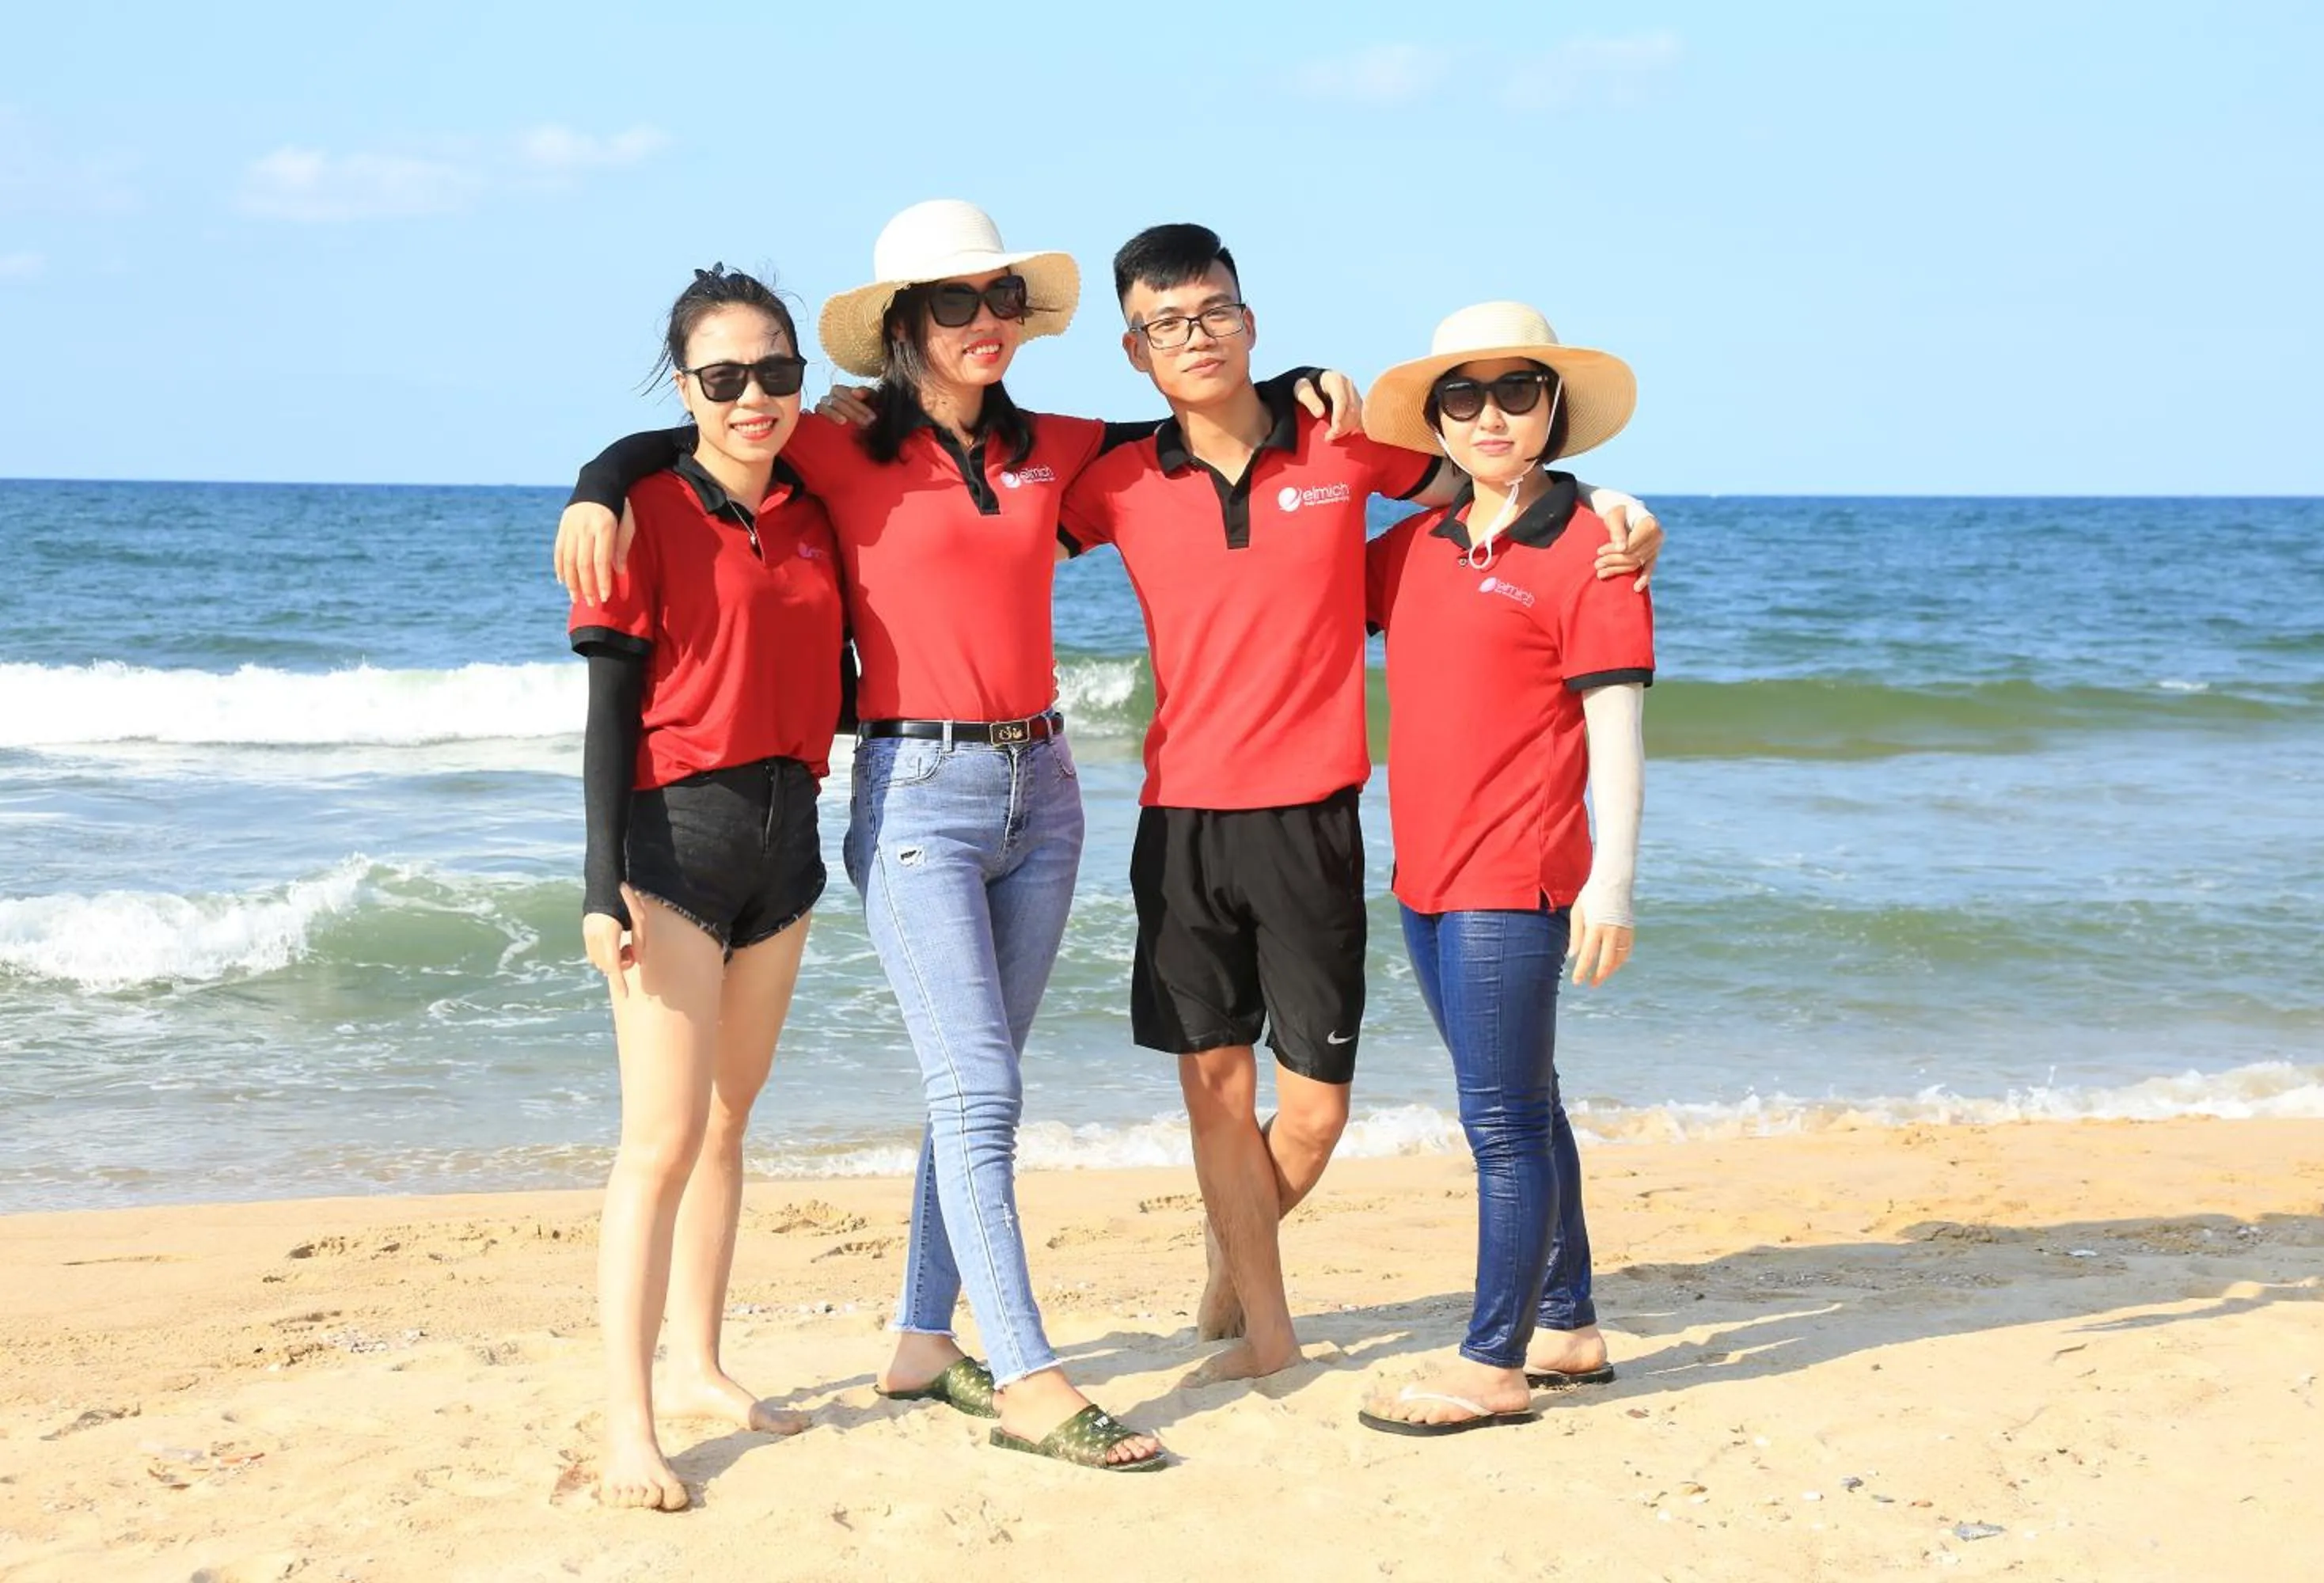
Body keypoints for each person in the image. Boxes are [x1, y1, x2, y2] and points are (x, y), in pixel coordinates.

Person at [557, 202, 1346, 1471]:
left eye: (1002, 301)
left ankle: (925, 1336)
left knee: (979, 1087)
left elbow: (1197, 435)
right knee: (977, 1088)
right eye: (953, 305)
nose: (986, 324)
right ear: (902, 328)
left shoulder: (1062, 447)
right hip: (915, 794)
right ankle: (1027, 1373)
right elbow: (713, 430)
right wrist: (602, 481)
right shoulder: (837, 440)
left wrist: (1299, 389)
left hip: (1048, 794)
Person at [1058, 226, 1665, 1384]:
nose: (1198, 337)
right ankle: (1278, 1322)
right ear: (1135, 350)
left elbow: (1489, 497)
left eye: (1216, 312)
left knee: (1319, 1115)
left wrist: (1617, 514)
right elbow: (984, 533)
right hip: (1180, 825)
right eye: (1168, 323)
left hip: (1316, 825)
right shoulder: (1119, 479)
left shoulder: (1343, 445)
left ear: (1251, 319)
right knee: (1222, 1097)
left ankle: (1243, 1263)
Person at [1356, 302, 1654, 1435]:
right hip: (1422, 876)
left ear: (1555, 408)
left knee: (1500, 1125)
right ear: (1437, 419)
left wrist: (1612, 884)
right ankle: (1569, 1321)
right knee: (1530, 1102)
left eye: (1516, 392)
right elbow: (1317, 540)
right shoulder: (1415, 549)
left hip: (1515, 875)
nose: (1491, 416)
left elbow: (1618, 732)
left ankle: (1494, 1360)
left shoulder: (1596, 548)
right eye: (1463, 397)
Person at [569, 265, 841, 1506]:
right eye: (723, 378)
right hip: (675, 844)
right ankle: (628, 1422)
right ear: (686, 387)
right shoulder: (642, 514)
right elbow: (609, 713)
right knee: (660, 1141)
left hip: (791, 841)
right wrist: (598, 884)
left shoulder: (815, 504)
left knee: (731, 1123)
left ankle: (699, 1365)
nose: (752, 397)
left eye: (774, 372)